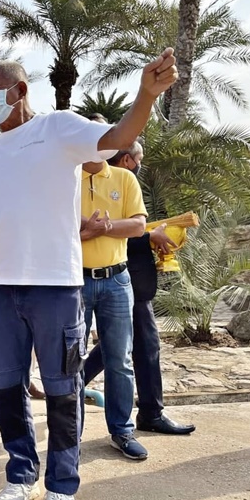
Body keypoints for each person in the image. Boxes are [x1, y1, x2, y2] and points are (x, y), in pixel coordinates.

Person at [0, 48, 178, 500]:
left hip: (54, 285)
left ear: (19, 90)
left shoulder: (57, 128)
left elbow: (118, 138)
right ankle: (20, 474)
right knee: (6, 386)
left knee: (62, 388)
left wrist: (146, 95)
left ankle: (61, 485)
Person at [83, 142, 195, 435]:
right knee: (137, 347)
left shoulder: (125, 183)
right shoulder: (79, 183)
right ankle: (149, 413)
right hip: (115, 279)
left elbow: (133, 226)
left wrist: (147, 234)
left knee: (128, 348)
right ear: (126, 159)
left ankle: (145, 413)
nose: (139, 165)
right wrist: (147, 237)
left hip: (130, 282)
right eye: (139, 159)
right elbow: (98, 233)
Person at [78, 148, 148, 459]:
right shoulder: (64, 179)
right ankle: (71, 436)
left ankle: (122, 431)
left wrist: (101, 227)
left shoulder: (124, 178)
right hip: (74, 281)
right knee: (71, 362)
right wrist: (93, 226)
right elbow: (57, 224)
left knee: (120, 359)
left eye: (101, 140)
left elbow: (138, 226)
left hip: (117, 280)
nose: (95, 146)